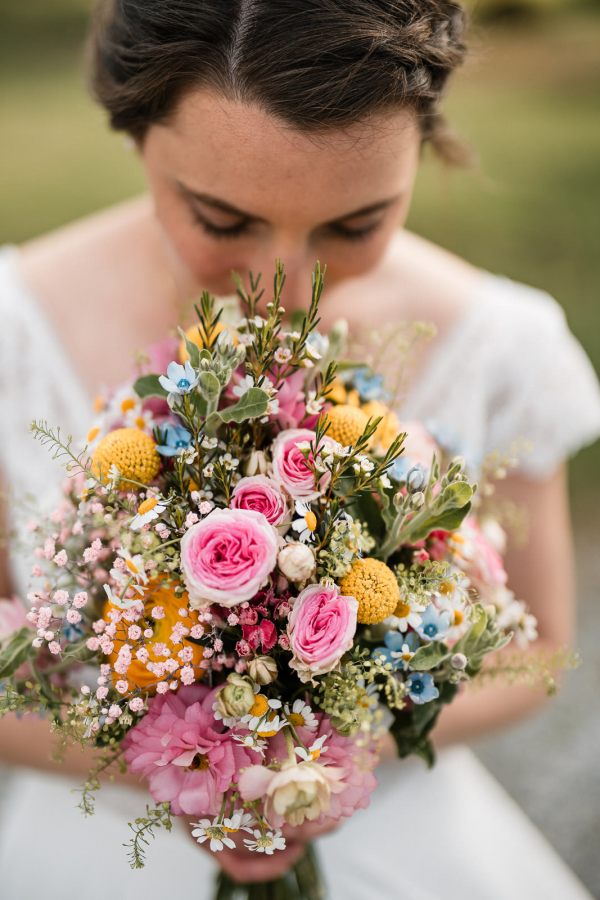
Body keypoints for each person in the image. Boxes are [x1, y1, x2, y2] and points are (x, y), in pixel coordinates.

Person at [0, 2, 598, 897]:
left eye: (355, 226)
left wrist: (325, 763)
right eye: (221, 218)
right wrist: (200, 776)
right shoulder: (13, 330)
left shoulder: (501, 344)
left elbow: (542, 648)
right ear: (133, 131)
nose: (286, 285)